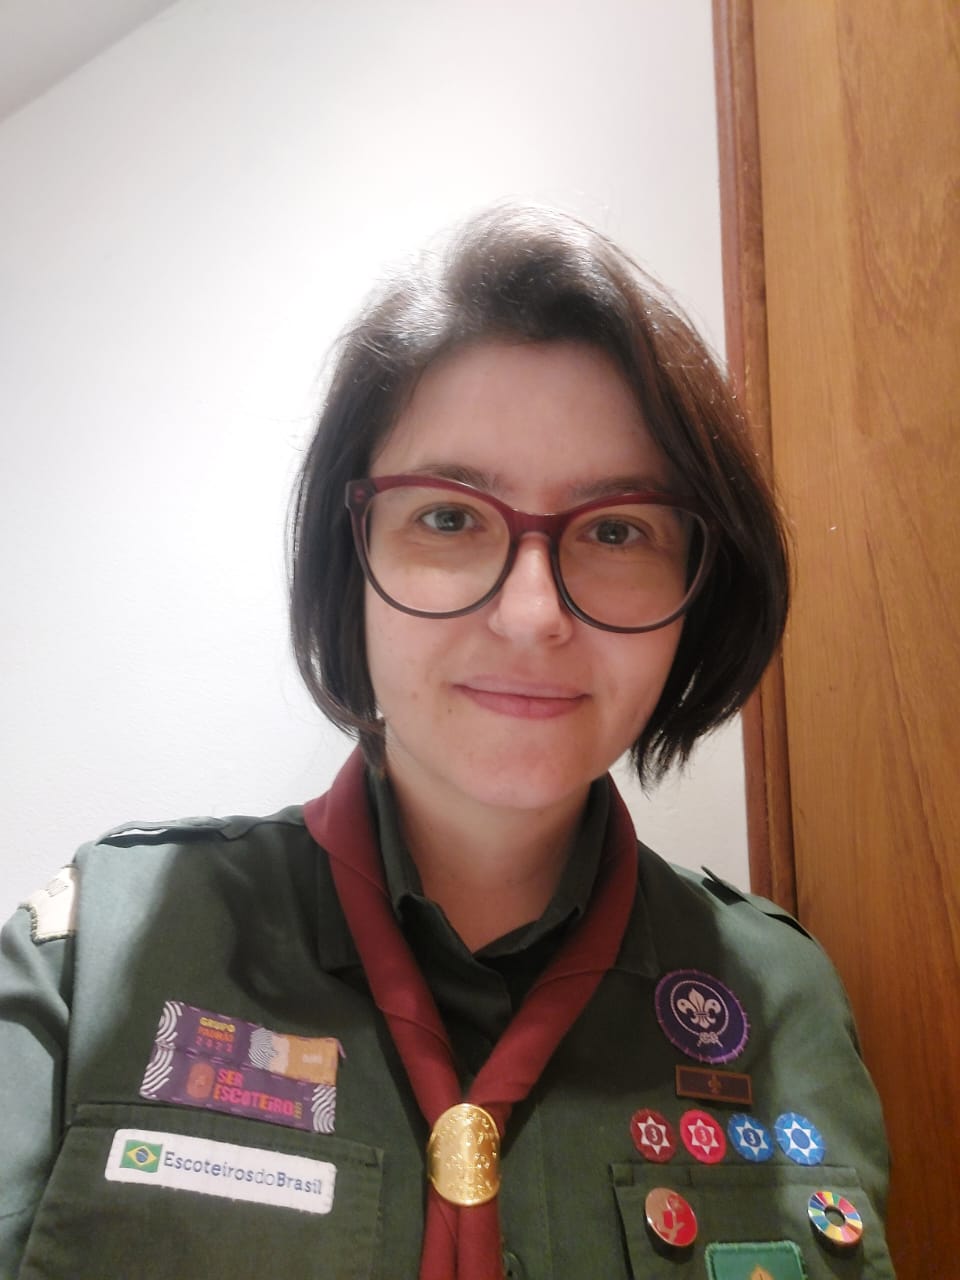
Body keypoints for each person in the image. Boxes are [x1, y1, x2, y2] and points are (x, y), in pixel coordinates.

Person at [0, 206, 894, 1279]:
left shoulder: (781, 998)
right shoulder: (98, 952)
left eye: (617, 530)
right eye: (449, 517)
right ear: (352, 559)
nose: (531, 614)